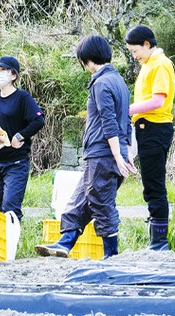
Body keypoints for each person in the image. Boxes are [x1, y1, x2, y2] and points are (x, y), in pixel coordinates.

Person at [36, 34, 132, 260]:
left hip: (102, 153)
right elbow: (126, 122)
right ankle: (65, 243)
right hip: (109, 154)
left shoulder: (101, 83)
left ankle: (112, 255)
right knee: (79, 201)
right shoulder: (120, 82)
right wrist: (126, 153)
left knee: (101, 203)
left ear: (87, 59)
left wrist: (118, 155)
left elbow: (109, 122)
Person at [126, 23, 175, 251]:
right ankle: (156, 241)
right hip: (147, 128)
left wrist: (128, 109)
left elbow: (158, 100)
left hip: (155, 128)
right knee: (150, 185)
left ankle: (160, 242)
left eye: (135, 51)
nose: (134, 56)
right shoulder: (149, 63)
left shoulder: (161, 64)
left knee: (154, 186)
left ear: (147, 44)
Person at [0, 55, 45, 220]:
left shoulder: (22, 98)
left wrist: (19, 136)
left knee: (10, 208)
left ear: (13, 75)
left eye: (3, 70)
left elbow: (38, 120)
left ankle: (13, 244)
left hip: (16, 162)